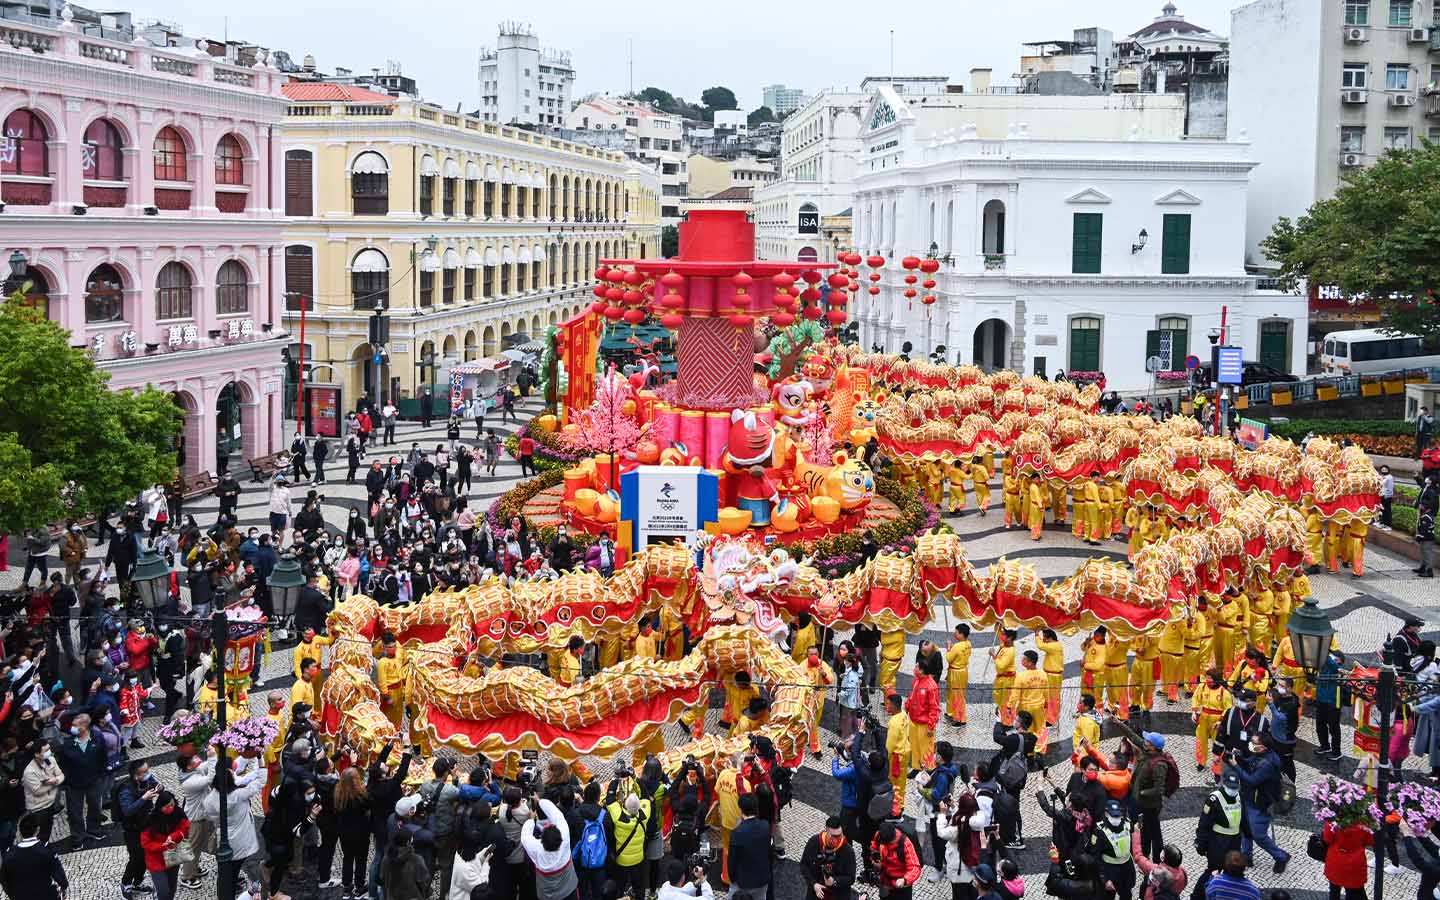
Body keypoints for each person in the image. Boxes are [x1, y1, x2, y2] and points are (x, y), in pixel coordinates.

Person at [1230, 733, 1290, 874]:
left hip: (1260, 804)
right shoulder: (1260, 755)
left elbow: (1251, 780)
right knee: (1245, 828)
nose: (1251, 744)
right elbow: (1250, 763)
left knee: (1259, 835)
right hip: (1250, 798)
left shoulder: (1268, 764)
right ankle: (1247, 855)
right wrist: (1240, 758)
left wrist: (1236, 766)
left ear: (1263, 747)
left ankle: (1281, 856)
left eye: (1254, 742)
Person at [55, 712, 107, 850]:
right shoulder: (67, 744)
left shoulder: (97, 739)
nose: (72, 727)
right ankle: (78, 837)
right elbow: (62, 764)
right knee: (74, 812)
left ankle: (94, 829)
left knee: (95, 806)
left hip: (94, 781)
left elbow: (103, 757)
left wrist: (100, 775)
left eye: (74, 725)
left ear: (84, 726)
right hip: (74, 784)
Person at [118, 758, 162, 898]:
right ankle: (126, 883)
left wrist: (159, 788)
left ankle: (137, 882)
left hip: (146, 824)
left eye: (148, 770)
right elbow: (128, 810)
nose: (148, 774)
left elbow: (158, 785)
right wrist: (144, 798)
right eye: (145, 772)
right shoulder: (126, 789)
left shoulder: (147, 780)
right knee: (136, 857)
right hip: (133, 829)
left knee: (145, 856)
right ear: (136, 775)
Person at [0, 814, 68, 900]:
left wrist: (12, 894)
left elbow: (4, 878)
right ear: (37, 830)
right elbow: (59, 874)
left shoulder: (10, 854)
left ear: (20, 832)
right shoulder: (46, 851)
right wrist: (63, 887)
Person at [140, 790, 190, 900]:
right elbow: (146, 843)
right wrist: (163, 846)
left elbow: (185, 828)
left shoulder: (178, 813)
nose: (170, 808)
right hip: (156, 860)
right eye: (167, 806)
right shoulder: (150, 820)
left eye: (172, 805)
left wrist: (174, 837)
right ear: (160, 807)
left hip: (173, 856)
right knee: (163, 892)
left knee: (171, 889)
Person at [1088, 798, 1136, 900]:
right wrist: (1105, 879)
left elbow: (1132, 844)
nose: (1116, 818)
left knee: (1127, 895)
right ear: (1106, 814)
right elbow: (1095, 857)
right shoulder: (1100, 831)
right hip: (1110, 869)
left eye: (1118, 815)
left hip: (1126, 868)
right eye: (1113, 816)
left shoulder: (1127, 824)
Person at [801, 815, 857, 900]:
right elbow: (804, 865)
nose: (836, 840)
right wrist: (813, 884)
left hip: (838, 895)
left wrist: (834, 881)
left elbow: (851, 878)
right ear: (826, 831)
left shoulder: (848, 851)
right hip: (816, 892)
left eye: (839, 835)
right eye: (833, 836)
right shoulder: (814, 842)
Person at [729, 793, 772, 900]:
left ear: (741, 809)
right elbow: (769, 852)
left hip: (743, 881)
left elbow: (732, 860)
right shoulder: (765, 826)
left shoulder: (737, 833)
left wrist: (733, 878)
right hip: (762, 879)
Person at [22, 739, 65, 843]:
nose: (49, 752)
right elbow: (37, 790)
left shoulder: (51, 760)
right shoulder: (30, 771)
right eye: (46, 750)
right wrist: (54, 783)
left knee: (46, 831)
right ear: (37, 754)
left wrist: (55, 780)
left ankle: (43, 847)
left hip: (50, 803)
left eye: (49, 749)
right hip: (38, 808)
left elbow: (61, 775)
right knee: (37, 833)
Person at [1320, 816, 1373, 900]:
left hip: (1335, 861)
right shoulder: (1364, 823)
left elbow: (1327, 839)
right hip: (1355, 863)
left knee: (1334, 891)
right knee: (1353, 892)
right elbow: (1369, 841)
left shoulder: (1333, 821)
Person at [869, 822, 921, 900]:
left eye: (887, 844)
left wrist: (905, 880)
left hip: (901, 885)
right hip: (885, 882)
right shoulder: (879, 835)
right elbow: (874, 848)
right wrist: (875, 862)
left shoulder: (905, 844)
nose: (886, 846)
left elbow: (915, 867)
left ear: (893, 839)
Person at [380, 829, 430, 900]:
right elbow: (424, 881)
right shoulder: (416, 860)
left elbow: (382, 878)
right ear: (408, 842)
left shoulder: (386, 858)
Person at [1416, 475, 1437, 578]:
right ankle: (1423, 567)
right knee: (1423, 549)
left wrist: (1421, 535)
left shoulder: (1427, 517)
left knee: (1427, 551)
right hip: (1425, 535)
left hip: (1427, 536)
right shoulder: (1427, 488)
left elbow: (1425, 529)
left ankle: (1429, 570)